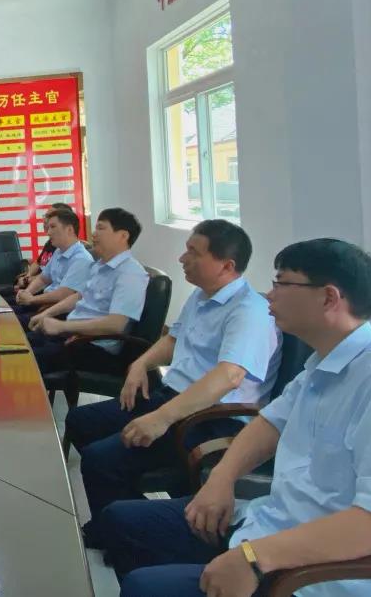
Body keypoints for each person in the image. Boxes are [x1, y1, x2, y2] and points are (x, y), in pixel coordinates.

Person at [102, 238, 371, 597]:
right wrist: (222, 479)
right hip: (270, 526)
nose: (270, 295)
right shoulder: (322, 364)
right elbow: (269, 423)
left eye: (282, 283)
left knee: (145, 587)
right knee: (122, 522)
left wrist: (253, 558)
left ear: (328, 298)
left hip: (318, 573)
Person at [64, 220, 282, 547]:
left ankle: (119, 533)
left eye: (193, 252)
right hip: (173, 398)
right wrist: (140, 365)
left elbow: (229, 376)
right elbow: (173, 339)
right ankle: (126, 518)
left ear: (226, 265)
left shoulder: (250, 312)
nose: (182, 258)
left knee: (100, 459)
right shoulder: (201, 296)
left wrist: (161, 418)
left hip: (210, 418)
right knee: (82, 420)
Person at [27, 207, 149, 377]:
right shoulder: (100, 266)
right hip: (73, 336)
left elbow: (116, 325)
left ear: (123, 236)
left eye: (101, 228)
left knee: (24, 361)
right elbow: (79, 296)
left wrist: (62, 326)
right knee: (20, 343)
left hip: (95, 348)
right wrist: (46, 314)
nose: (94, 233)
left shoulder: (130, 273)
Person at [13, 206, 94, 327]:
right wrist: (26, 292)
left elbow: (63, 294)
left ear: (69, 230)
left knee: (9, 322)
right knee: (3, 312)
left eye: (53, 227)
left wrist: (31, 300)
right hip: (43, 302)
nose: (48, 232)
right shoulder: (58, 251)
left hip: (59, 312)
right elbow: (43, 278)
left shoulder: (82, 259)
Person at [7, 203, 76, 298]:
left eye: (50, 217)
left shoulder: (64, 249)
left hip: (43, 292)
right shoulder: (51, 244)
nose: (45, 220)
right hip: (35, 286)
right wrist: (27, 277)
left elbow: (52, 278)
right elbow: (38, 263)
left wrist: (27, 283)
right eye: (46, 216)